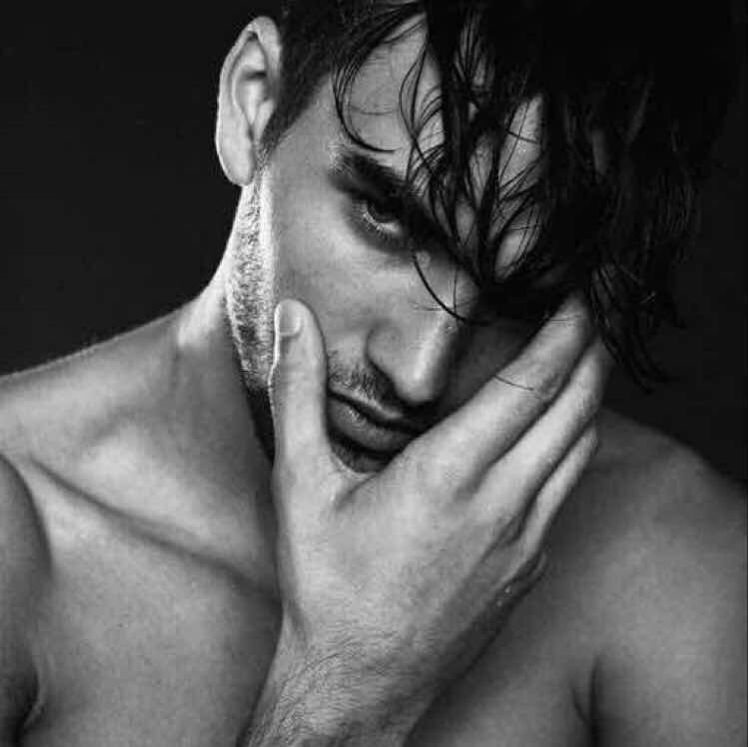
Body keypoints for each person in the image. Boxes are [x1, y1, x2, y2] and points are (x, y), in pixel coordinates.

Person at [0, 1, 744, 744]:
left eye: (523, 294)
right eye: (388, 217)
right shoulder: (20, 533)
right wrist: (348, 689)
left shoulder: (666, 559)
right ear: (253, 103)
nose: (419, 372)